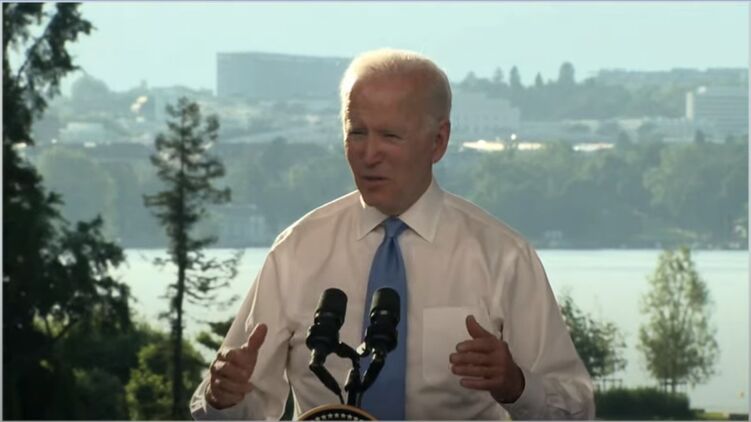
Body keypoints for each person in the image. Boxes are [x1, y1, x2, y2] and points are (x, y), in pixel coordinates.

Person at [190, 48, 594, 420]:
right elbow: (230, 409)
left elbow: (576, 410)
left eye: (390, 136)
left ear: (438, 141)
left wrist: (516, 386)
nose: (369, 154)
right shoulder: (297, 251)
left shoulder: (503, 257)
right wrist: (224, 398)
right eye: (357, 133)